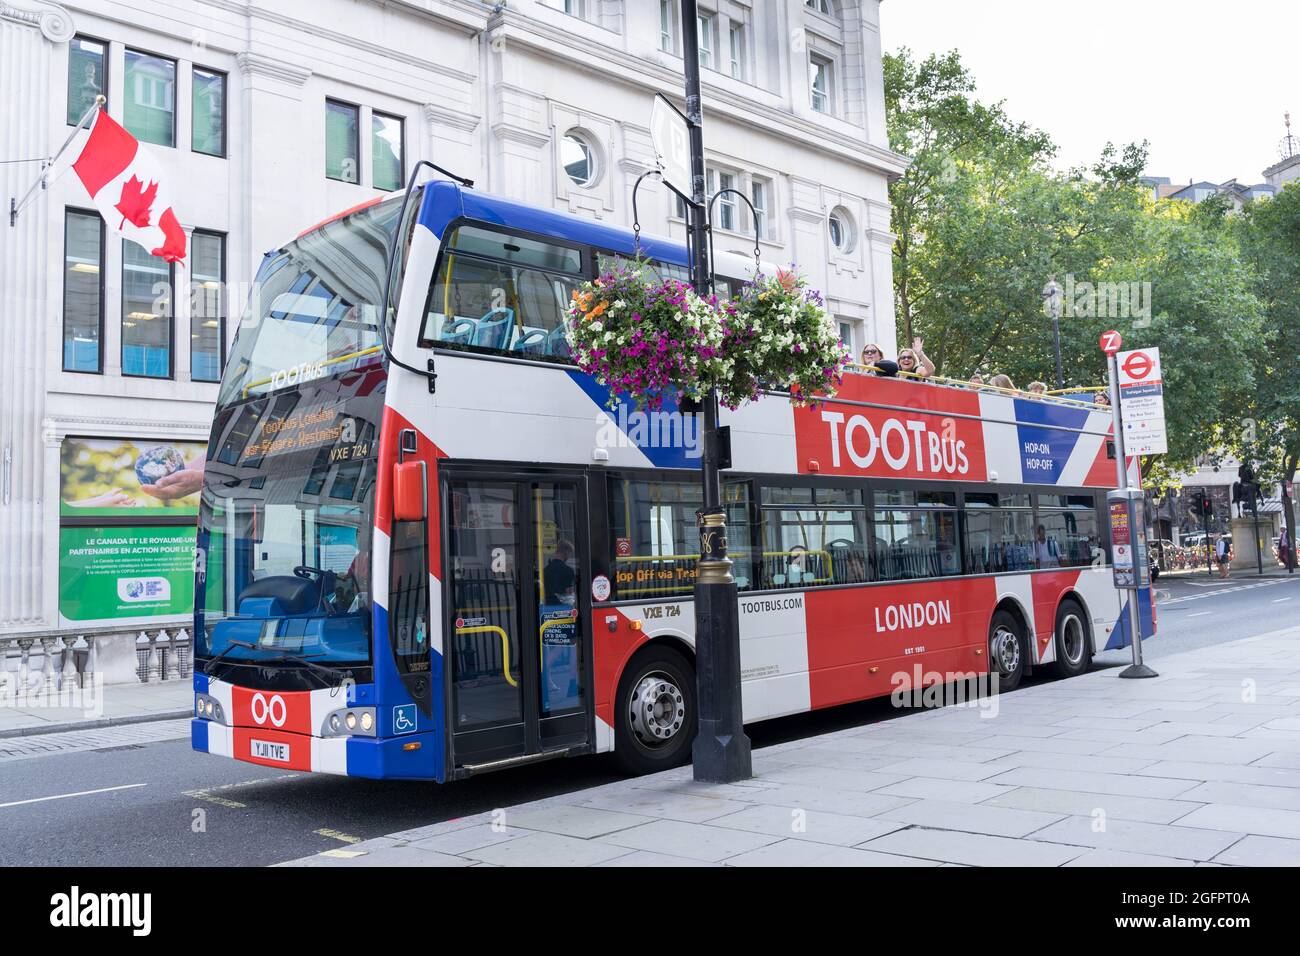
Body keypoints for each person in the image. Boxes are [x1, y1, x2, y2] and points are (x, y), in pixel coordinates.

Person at [543, 539, 577, 604]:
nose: (569, 557)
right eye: (569, 554)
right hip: (563, 609)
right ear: (566, 553)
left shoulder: (545, 570)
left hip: (548, 607)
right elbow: (569, 594)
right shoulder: (569, 571)